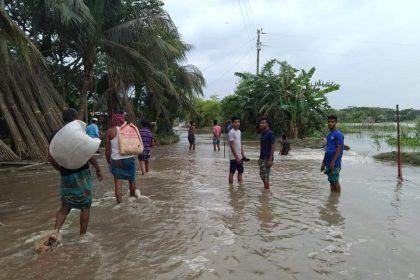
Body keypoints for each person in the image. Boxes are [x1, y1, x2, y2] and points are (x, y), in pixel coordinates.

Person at [48, 108, 103, 244]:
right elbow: (88, 153)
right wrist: (97, 168)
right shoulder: (78, 134)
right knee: (85, 206)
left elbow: (51, 157)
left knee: (65, 207)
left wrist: (61, 170)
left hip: (66, 174)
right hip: (82, 174)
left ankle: (55, 232)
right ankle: (82, 236)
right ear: (75, 118)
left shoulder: (56, 135)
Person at [105, 112, 140, 203]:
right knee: (131, 179)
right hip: (129, 157)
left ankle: (119, 204)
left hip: (116, 160)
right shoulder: (130, 128)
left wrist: (108, 162)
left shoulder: (110, 131)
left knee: (118, 182)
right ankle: (132, 199)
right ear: (123, 119)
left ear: (113, 119)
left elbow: (108, 150)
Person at [321, 115, 344, 192]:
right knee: (331, 181)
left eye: (332, 122)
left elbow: (339, 148)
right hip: (328, 162)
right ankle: (333, 200)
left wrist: (333, 161)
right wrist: (323, 162)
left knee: (335, 181)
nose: (330, 123)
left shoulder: (338, 134)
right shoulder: (329, 135)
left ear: (336, 123)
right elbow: (327, 149)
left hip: (335, 163)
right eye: (329, 122)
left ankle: (337, 197)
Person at [228, 117, 246, 184]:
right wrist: (236, 157)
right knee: (232, 172)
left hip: (239, 156)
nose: (237, 123)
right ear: (232, 123)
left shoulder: (239, 131)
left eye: (238, 122)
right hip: (233, 157)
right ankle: (231, 188)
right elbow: (232, 145)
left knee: (240, 172)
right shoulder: (231, 132)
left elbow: (239, 144)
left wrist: (243, 155)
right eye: (235, 122)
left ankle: (240, 187)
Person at [259, 117, 275, 189]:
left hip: (267, 158)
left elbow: (272, 147)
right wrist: (260, 158)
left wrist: (270, 160)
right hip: (262, 157)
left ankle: (266, 192)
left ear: (267, 124)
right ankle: (266, 191)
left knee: (264, 175)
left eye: (263, 123)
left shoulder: (270, 133)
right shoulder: (263, 133)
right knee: (263, 175)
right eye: (261, 123)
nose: (261, 124)